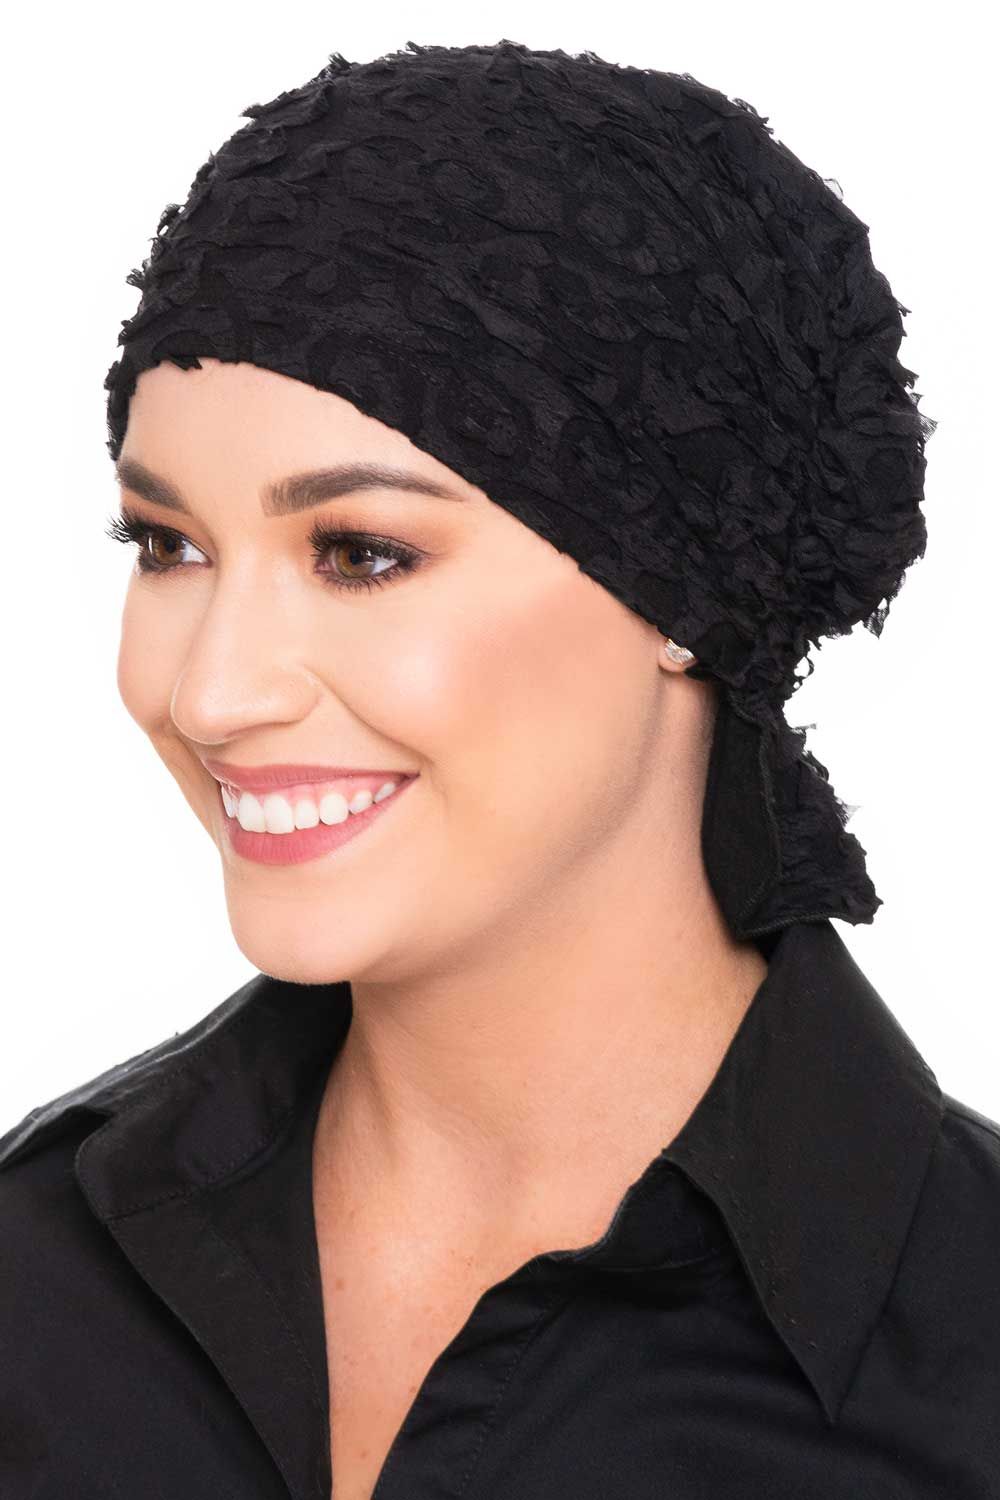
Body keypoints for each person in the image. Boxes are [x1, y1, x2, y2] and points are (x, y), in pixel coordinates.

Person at [1, 39, 997, 1500]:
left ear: (685, 594)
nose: (209, 691)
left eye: (360, 554)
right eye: (168, 545)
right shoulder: (36, 1273)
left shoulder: (966, 1368)